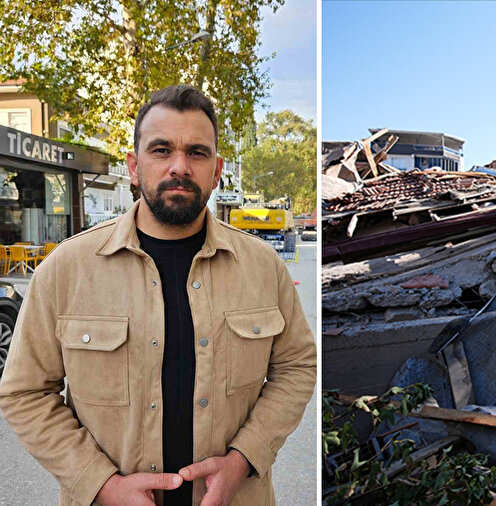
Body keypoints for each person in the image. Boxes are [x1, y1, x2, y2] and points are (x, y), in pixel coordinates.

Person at [0, 84, 316, 506]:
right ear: (134, 166)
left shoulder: (263, 267)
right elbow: (24, 393)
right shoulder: (66, 269)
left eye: (197, 152)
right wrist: (100, 483)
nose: (179, 166)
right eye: (161, 150)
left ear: (217, 169)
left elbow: (297, 366)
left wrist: (244, 458)